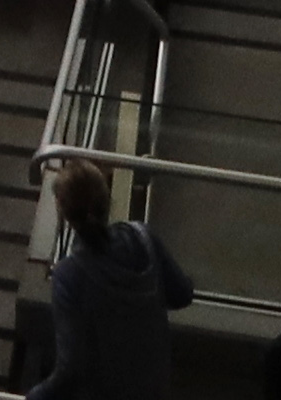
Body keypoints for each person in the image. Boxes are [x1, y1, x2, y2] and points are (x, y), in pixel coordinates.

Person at [44, 156, 197, 400]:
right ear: (107, 198)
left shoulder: (69, 276)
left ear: (63, 210)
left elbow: (71, 367)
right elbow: (182, 294)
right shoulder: (143, 238)